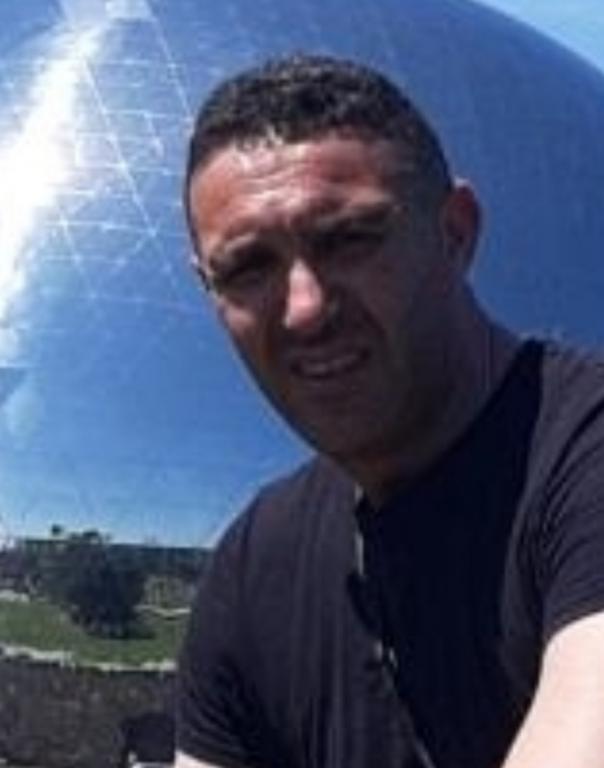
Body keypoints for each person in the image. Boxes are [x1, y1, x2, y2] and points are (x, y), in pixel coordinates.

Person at [175, 53, 604, 768]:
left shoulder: (580, 456)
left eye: (348, 240)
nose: (304, 309)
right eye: (249, 267)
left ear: (455, 232)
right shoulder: (257, 565)